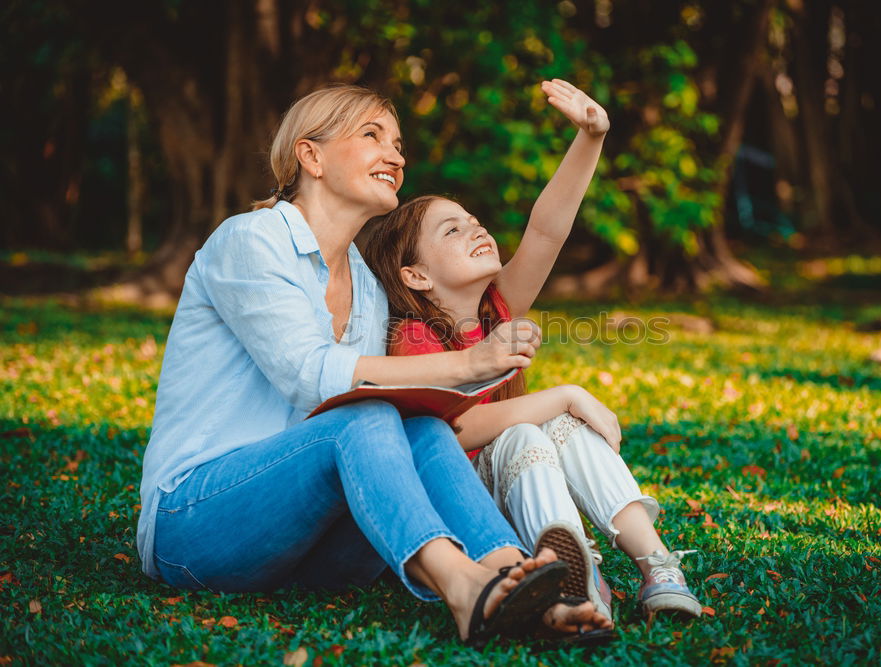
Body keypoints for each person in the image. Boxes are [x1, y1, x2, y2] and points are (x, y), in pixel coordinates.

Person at [136, 84, 613, 646]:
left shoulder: (367, 286)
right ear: (310, 157)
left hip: (307, 548)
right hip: (196, 525)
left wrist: (591, 137)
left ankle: (519, 581)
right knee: (361, 417)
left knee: (421, 426)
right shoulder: (251, 240)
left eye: (398, 142)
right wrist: (468, 365)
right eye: (372, 136)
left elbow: (540, 240)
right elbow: (309, 376)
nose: (397, 155)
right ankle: (465, 588)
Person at [364, 79, 704, 621]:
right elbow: (459, 430)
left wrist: (591, 136)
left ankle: (658, 567)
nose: (477, 230)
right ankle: (574, 580)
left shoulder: (498, 309)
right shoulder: (414, 338)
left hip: (520, 484)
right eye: (452, 231)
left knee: (561, 429)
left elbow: (547, 230)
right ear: (416, 275)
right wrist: (565, 394)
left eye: (474, 222)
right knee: (529, 427)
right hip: (466, 512)